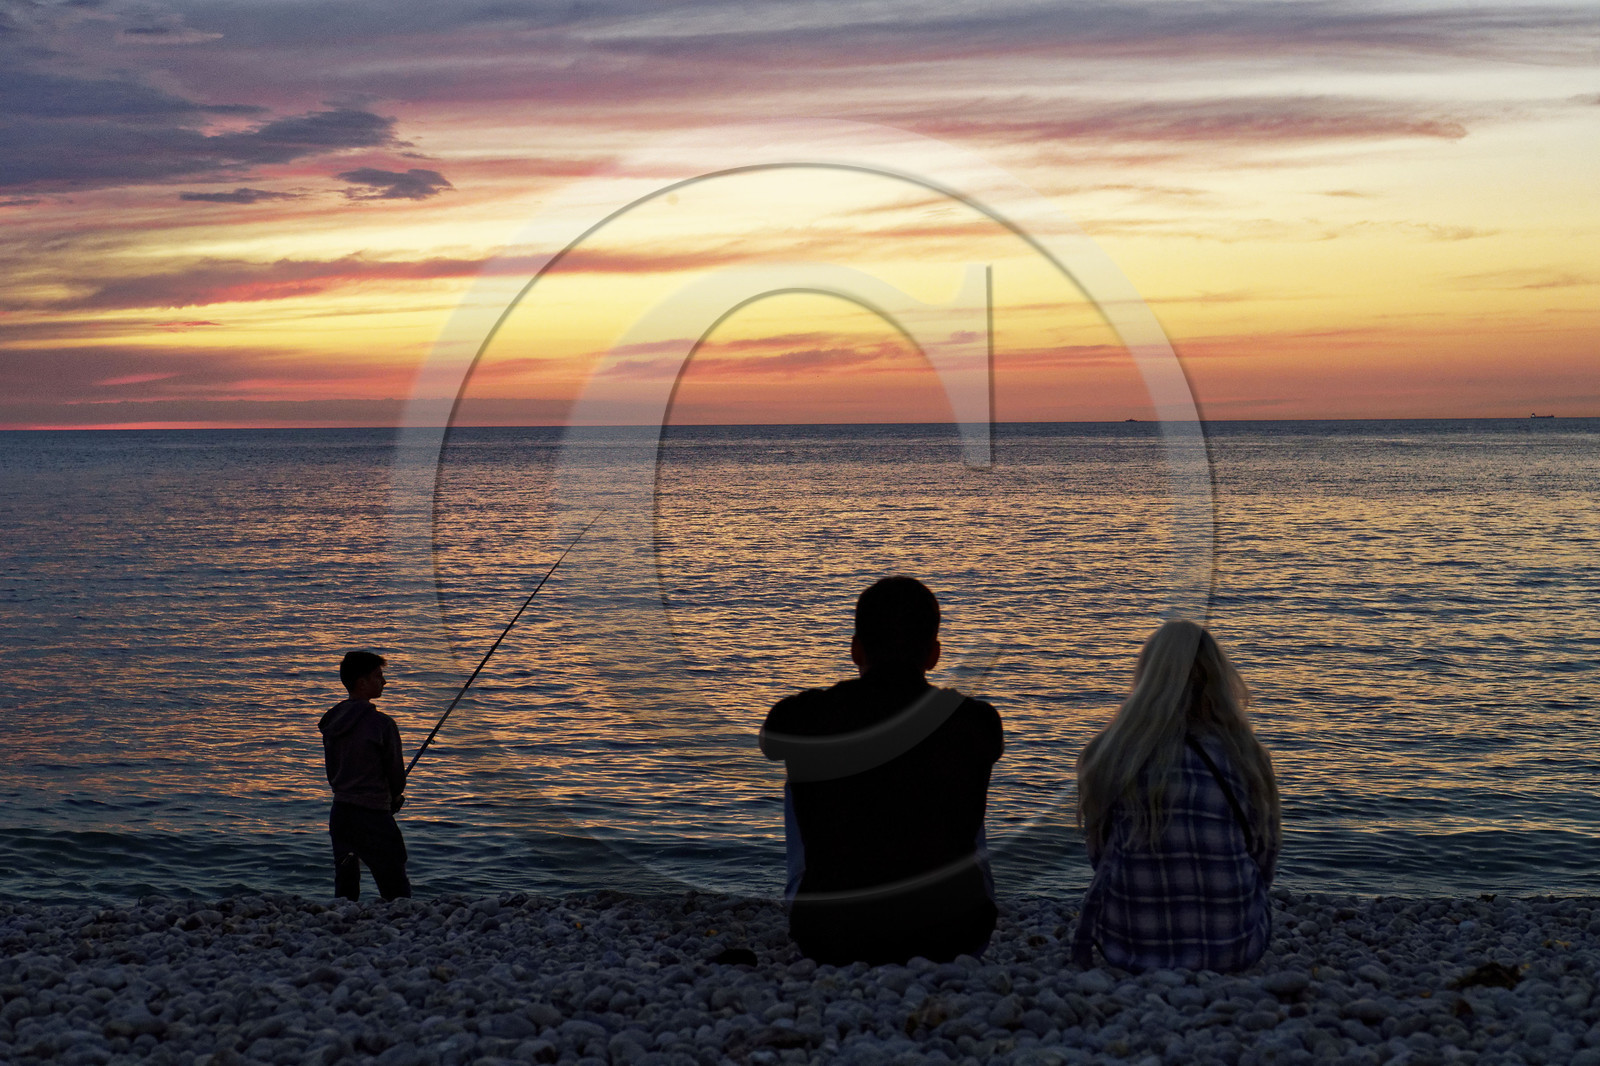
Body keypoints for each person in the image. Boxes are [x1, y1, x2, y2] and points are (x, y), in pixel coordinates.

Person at [760, 576, 1003, 965]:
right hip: (957, 936)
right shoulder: (977, 721)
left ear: (856, 650)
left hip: (829, 939)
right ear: (934, 655)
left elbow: (770, 743)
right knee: (966, 764)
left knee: (801, 764)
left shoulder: (803, 716)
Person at [1072, 619, 1280, 971]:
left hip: (1128, 944)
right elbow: (1265, 860)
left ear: (1147, 679)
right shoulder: (1246, 757)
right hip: (1235, 946)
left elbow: (1099, 855)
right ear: (1219, 681)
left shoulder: (1109, 755)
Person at [318, 650, 411, 901]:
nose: (384, 682)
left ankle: (342, 928)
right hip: (373, 816)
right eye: (378, 676)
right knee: (394, 883)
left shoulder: (331, 722)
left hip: (340, 812)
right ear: (362, 683)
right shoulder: (382, 724)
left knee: (346, 884)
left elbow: (332, 771)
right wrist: (393, 797)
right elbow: (397, 778)